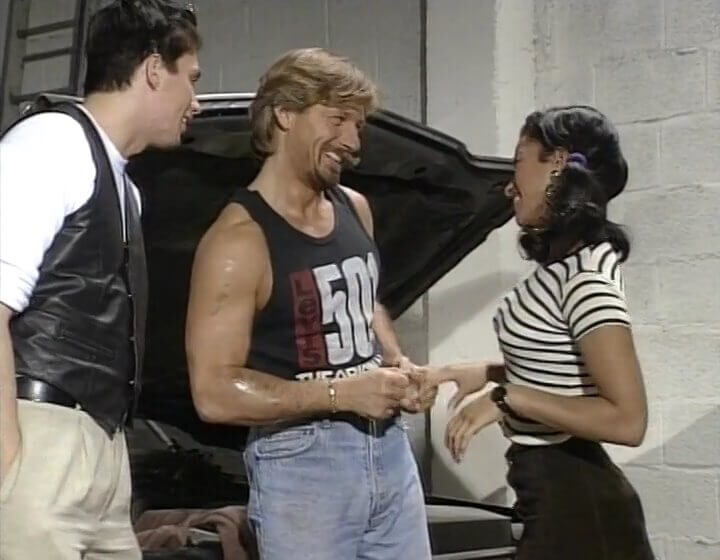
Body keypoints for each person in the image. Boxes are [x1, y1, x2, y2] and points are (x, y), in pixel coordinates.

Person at [185, 47, 435, 560]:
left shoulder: (355, 209)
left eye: (358, 126)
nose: (353, 142)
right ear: (284, 114)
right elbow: (214, 393)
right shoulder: (238, 241)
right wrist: (342, 394)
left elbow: (363, 300)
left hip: (389, 450)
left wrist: (396, 362)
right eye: (337, 120)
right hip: (303, 466)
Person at [0, 1, 201, 558]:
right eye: (191, 77)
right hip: (41, 436)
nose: (197, 100)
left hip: (103, 448)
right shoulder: (51, 143)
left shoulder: (124, 187)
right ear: (154, 70)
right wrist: (9, 459)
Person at [421, 106, 655, 560]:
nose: (510, 185)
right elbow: (565, 368)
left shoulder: (586, 279)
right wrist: (484, 372)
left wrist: (507, 397)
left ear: (558, 163)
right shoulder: (566, 265)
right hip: (557, 498)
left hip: (579, 510)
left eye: (518, 162)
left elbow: (628, 420)